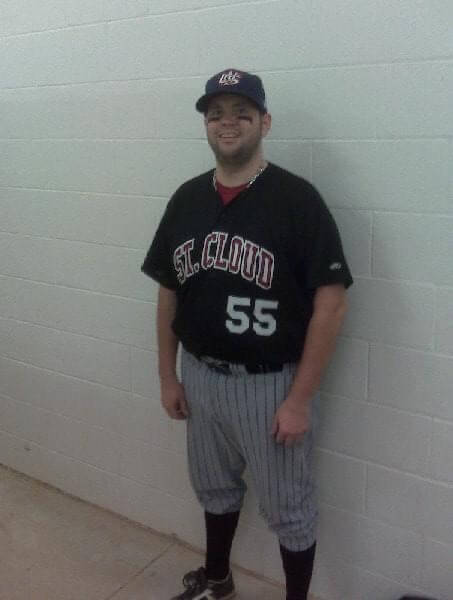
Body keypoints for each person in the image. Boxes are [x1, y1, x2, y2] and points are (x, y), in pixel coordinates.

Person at [142, 68, 353, 600]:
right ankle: (218, 579)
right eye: (216, 113)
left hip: (270, 384)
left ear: (264, 121)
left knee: (288, 507)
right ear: (206, 126)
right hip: (201, 375)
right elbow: (169, 290)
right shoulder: (187, 198)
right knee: (212, 489)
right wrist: (168, 374)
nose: (227, 122)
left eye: (241, 111)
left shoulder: (298, 200)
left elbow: (331, 303)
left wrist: (300, 399)